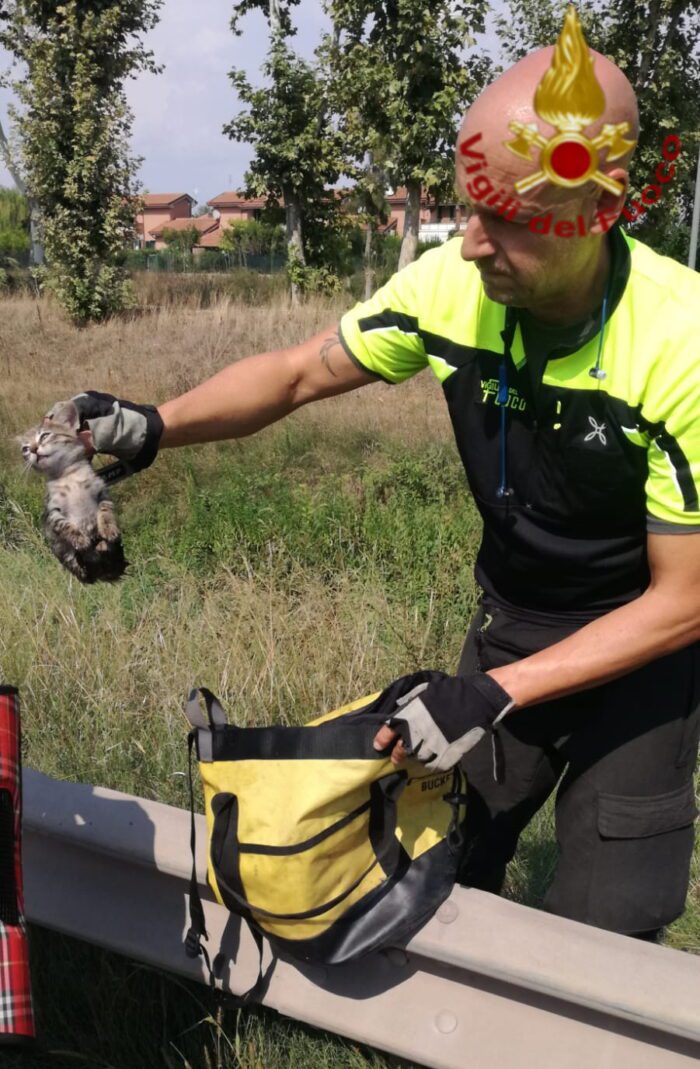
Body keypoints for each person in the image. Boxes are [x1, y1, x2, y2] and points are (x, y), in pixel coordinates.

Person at [72, 40, 699, 942]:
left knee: (611, 916)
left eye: (506, 218)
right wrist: (156, 426)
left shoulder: (681, 344)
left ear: (598, 210)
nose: (471, 241)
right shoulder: (454, 284)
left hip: (644, 650)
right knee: (444, 851)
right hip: (514, 614)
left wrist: (496, 694)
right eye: (466, 208)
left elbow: (688, 599)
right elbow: (294, 375)